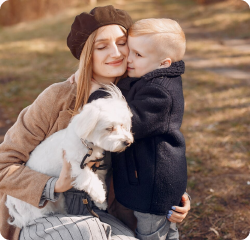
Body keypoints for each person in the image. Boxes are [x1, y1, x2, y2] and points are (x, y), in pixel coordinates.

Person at [0, 6, 190, 240]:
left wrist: (174, 196)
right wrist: (54, 185)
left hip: (99, 212)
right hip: (42, 214)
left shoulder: (138, 94)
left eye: (122, 43)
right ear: (87, 54)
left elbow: (157, 150)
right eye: (101, 47)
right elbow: (3, 165)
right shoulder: (57, 97)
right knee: (87, 233)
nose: (117, 53)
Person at [111, 18, 188, 240]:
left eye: (138, 55)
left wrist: (102, 98)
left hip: (155, 183)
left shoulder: (160, 92)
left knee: (153, 232)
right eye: (130, 51)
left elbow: (132, 123)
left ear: (164, 63)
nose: (129, 59)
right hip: (146, 176)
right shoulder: (149, 79)